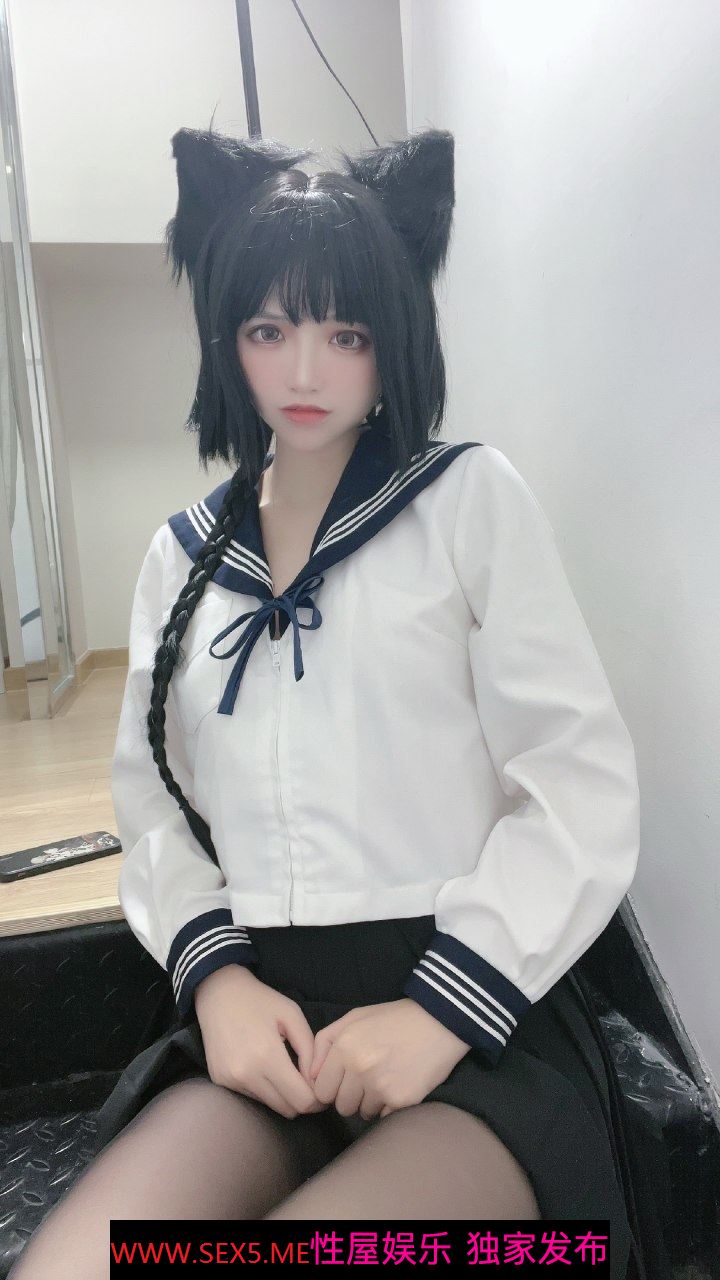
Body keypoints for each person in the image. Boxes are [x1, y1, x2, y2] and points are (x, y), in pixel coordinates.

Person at [9, 123, 643, 1277]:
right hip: (265, 1024)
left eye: (346, 333)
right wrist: (216, 977)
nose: (305, 372)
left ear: (394, 337)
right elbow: (152, 802)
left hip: (473, 1025)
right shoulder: (182, 555)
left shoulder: (467, 503)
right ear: (227, 341)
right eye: (269, 330)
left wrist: (441, 1010)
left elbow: (578, 784)